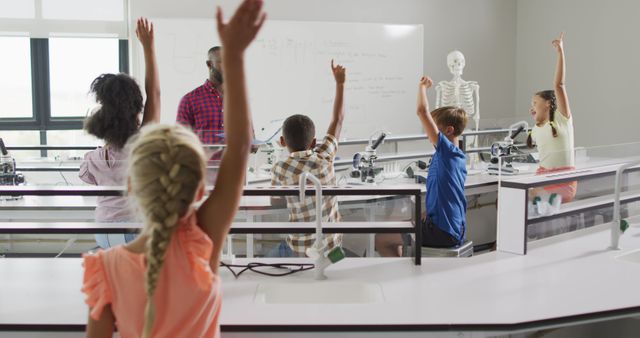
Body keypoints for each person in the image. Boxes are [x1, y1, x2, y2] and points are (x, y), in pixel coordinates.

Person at [81, 1, 265, 337]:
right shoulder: (201, 240)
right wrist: (235, 57)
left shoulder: (104, 269)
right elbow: (240, 148)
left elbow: (236, 148)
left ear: (133, 186)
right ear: (199, 190)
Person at [79, 17, 160, 248]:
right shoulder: (142, 144)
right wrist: (148, 46)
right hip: (135, 231)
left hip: (103, 231)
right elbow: (155, 93)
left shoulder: (94, 159)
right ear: (136, 111)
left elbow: (89, 179)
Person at [269, 60, 346, 257]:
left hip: (299, 249)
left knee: (268, 257)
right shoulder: (325, 157)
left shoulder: (280, 168)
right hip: (333, 248)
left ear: (281, 141)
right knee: (334, 257)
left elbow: (275, 202)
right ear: (313, 142)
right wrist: (340, 83)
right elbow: (337, 120)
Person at [416, 76, 468, 248]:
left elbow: (422, 112)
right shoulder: (454, 156)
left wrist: (422, 87)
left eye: (433, 126)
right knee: (412, 221)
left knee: (384, 237)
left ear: (448, 130)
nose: (428, 131)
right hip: (452, 229)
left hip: (443, 232)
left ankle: (409, 272)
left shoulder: (447, 152)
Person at [527, 32, 577, 203]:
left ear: (548, 103)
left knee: (520, 200)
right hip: (543, 176)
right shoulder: (537, 128)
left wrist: (560, 52)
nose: (532, 107)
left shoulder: (562, 119)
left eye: (535, 103)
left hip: (562, 180)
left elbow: (559, 85)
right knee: (510, 199)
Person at [176, 45, 225, 146]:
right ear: (209, 64)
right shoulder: (190, 100)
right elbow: (180, 140)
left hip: (237, 162)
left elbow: (250, 136)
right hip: (203, 161)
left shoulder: (240, 100)